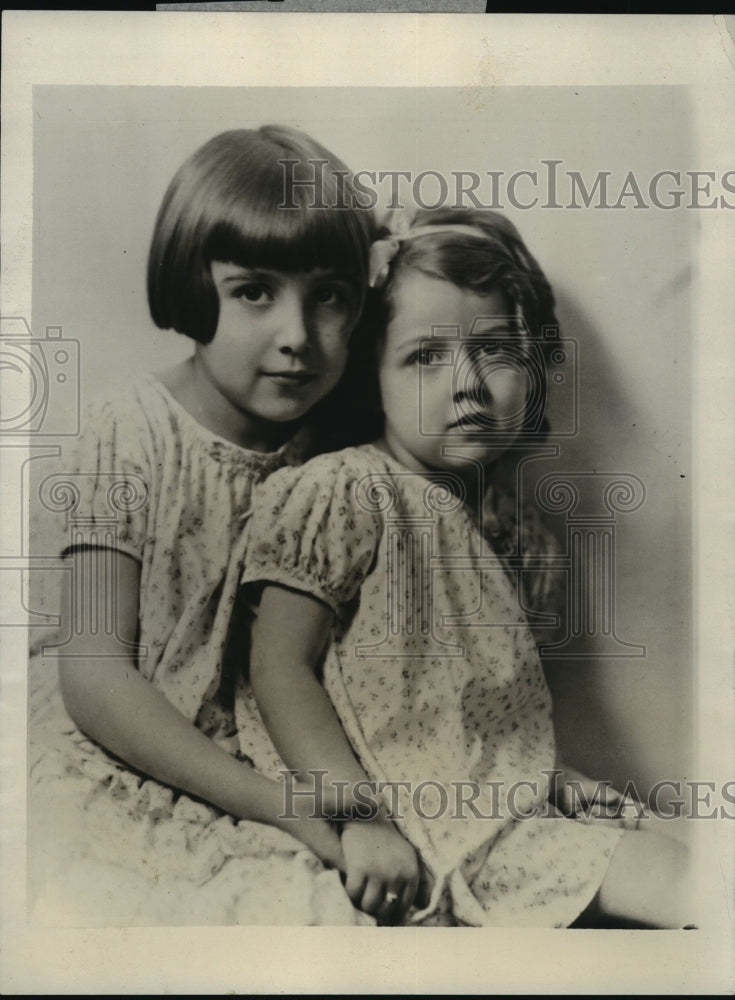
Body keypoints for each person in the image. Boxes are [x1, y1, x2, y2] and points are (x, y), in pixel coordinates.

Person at [241, 207, 693, 928]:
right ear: (370, 376)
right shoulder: (345, 493)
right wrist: (356, 818)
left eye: (494, 351)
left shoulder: (519, 539)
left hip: (494, 809)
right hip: (386, 805)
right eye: (424, 357)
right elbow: (278, 667)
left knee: (678, 861)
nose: (468, 385)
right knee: (682, 883)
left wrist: (557, 781)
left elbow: (492, 720)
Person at [29, 125, 377, 925]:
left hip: (281, 754)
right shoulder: (130, 433)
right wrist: (280, 804)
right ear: (194, 290)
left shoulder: (340, 451)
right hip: (123, 743)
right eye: (254, 291)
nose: (297, 335)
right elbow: (96, 677)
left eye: (329, 296)